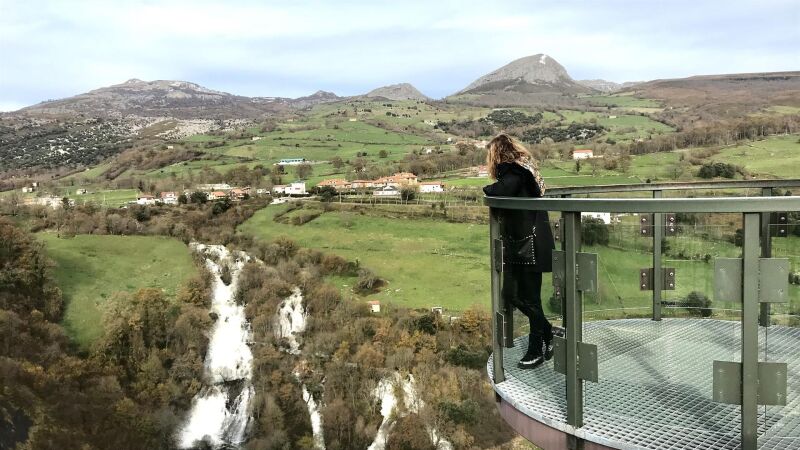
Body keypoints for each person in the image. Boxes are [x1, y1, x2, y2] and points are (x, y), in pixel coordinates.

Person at [483, 133, 555, 369]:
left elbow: (496, 191)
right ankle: (548, 332)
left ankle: (536, 350)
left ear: (496, 154)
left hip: (530, 245)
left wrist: (486, 188)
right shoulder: (523, 170)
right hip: (521, 244)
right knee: (511, 294)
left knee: (531, 299)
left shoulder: (515, 172)